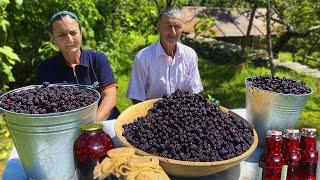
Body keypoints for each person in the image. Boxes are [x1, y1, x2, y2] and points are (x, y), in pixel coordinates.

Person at [37, 10, 119, 121]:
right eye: (61, 35)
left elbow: (110, 96)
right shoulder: (46, 69)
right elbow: (44, 108)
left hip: (104, 122)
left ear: (80, 33)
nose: (70, 39)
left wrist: (90, 126)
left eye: (73, 33)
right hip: (69, 129)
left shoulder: (97, 60)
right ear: (53, 38)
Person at [127, 7, 203, 104]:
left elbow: (195, 92)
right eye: (168, 26)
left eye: (177, 27)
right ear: (158, 27)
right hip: (153, 115)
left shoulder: (190, 55)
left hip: (183, 114)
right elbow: (137, 98)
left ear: (182, 29)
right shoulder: (143, 57)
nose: (173, 32)